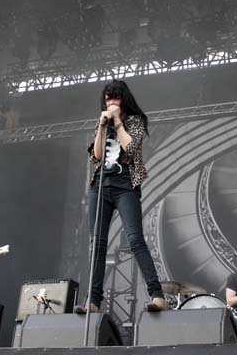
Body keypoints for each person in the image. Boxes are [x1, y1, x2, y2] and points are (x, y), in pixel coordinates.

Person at [76, 79, 165, 314]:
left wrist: (117, 122)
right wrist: (102, 127)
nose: (111, 102)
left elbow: (132, 148)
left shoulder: (134, 120)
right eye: (108, 98)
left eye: (115, 98)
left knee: (135, 239)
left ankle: (157, 294)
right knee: (97, 244)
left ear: (123, 100)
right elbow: (96, 156)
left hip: (125, 185)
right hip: (100, 186)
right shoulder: (102, 123)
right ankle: (93, 301)